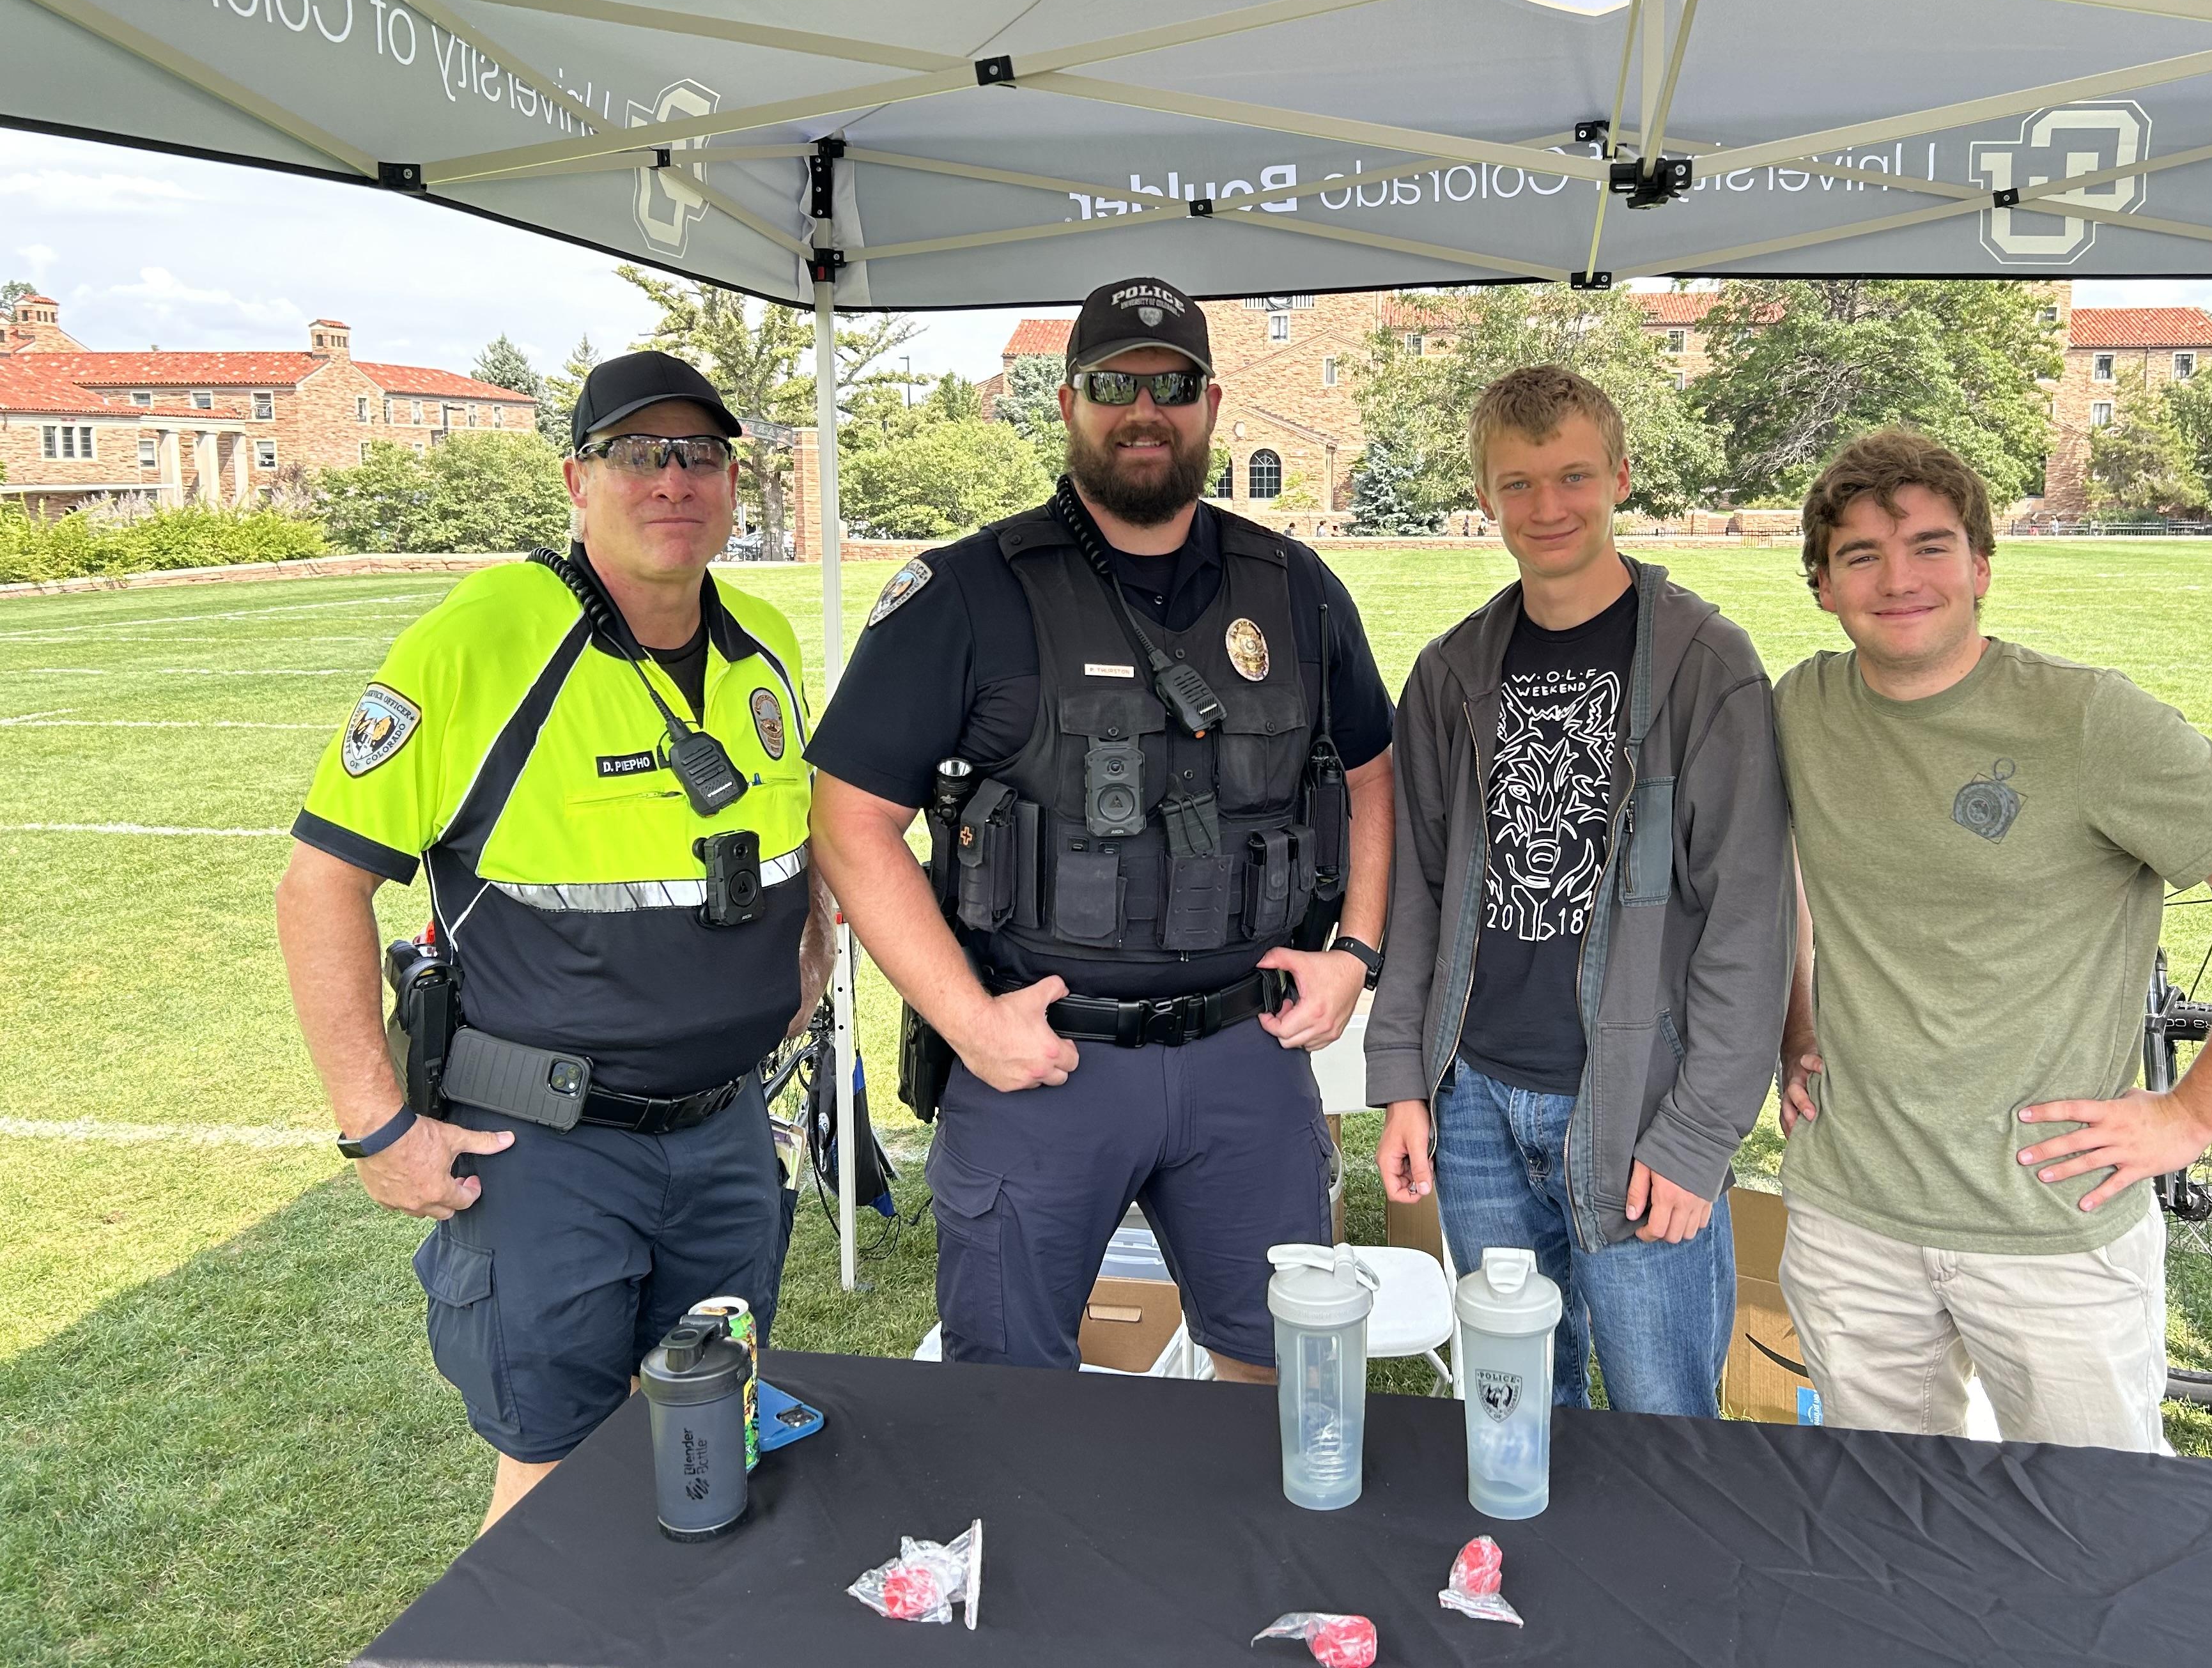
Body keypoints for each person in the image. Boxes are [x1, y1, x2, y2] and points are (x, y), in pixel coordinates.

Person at [276, 350, 828, 1529]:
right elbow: (320, 887)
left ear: (734, 483)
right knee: (555, 1480)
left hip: (726, 1138)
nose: (673, 481)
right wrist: (377, 1127)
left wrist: (814, 948)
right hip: (543, 1151)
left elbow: (801, 835)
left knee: (712, 1436)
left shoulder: (764, 642)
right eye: (639, 455)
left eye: (700, 456)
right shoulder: (483, 637)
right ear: (579, 481)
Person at [808, 275, 1395, 1382]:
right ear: (1069, 402)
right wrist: (973, 1026)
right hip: (1045, 1061)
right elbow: (849, 823)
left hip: (1245, 1053)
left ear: (1211, 404)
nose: (1143, 409)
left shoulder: (1296, 587)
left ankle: (1240, 1563)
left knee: (1277, 1376)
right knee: (1010, 1391)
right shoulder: (967, 592)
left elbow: (1372, 768)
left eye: (1169, 384)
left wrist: (1355, 955)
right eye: (1112, 384)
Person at [1771, 428, 2212, 1451]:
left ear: (1982, 568)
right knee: (1889, 1532)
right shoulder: (1801, 710)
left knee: (2103, 1542)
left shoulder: (2088, 721)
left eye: (1929, 545)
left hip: (2051, 1224)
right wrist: (1794, 1028)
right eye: (1861, 555)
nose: (1898, 577)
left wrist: (2189, 1118)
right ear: (1823, 586)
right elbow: (1778, 881)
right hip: (1852, 1217)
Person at [1368, 366, 1794, 1416]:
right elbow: (1420, 894)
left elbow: (1751, 918)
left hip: (1638, 1108)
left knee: (1662, 1412)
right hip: (1475, 1106)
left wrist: (1699, 1137)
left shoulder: (1706, 666)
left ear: (1621, 477)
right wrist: (1406, 1083)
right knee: (1516, 1406)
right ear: (1484, 496)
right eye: (1516, 484)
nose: (1546, 508)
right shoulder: (1450, 674)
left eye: (1572, 477)